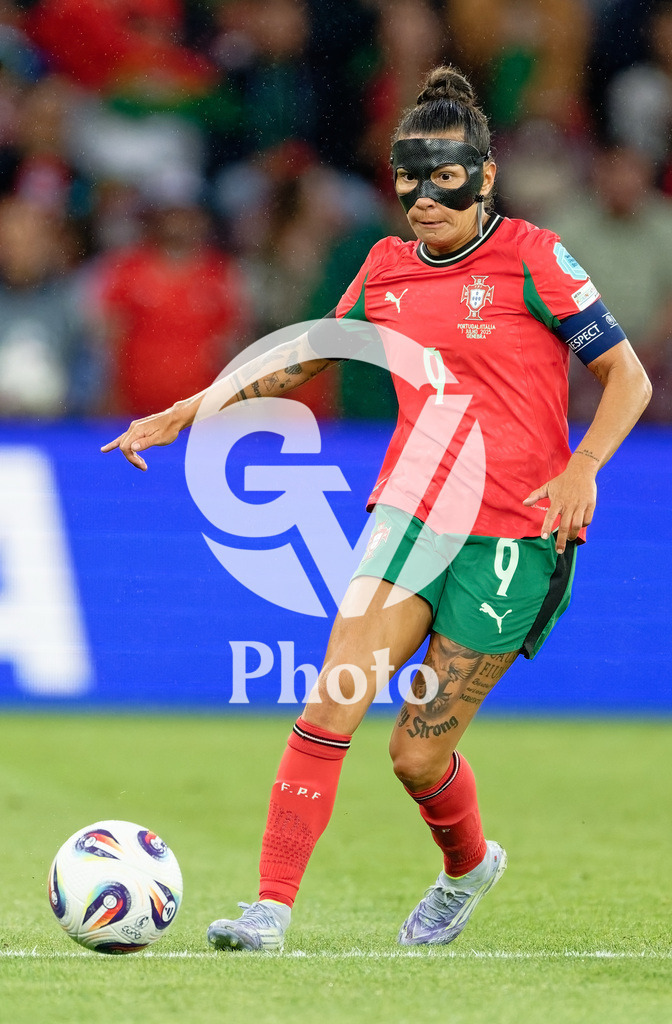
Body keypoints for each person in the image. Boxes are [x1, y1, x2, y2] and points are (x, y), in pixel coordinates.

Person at [102, 65, 651, 951]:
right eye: (409, 180)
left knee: (416, 755)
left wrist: (583, 466)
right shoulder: (386, 270)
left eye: (444, 179)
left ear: (483, 176)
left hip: (516, 537)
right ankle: (269, 912)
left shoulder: (536, 258)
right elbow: (302, 359)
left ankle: (468, 867)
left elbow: (626, 375)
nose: (424, 199)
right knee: (331, 700)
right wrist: (180, 414)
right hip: (409, 519)